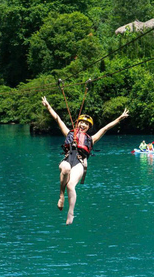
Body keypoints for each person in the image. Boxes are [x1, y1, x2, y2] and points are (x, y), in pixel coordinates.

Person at [41, 96, 129, 225]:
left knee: (71, 185)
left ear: (89, 127)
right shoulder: (69, 133)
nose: (83, 125)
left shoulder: (91, 139)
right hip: (68, 159)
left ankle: (70, 212)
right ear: (77, 123)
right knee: (65, 168)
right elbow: (57, 119)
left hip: (80, 163)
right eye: (81, 122)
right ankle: (61, 195)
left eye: (86, 124)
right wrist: (48, 106)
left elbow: (105, 128)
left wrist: (119, 118)